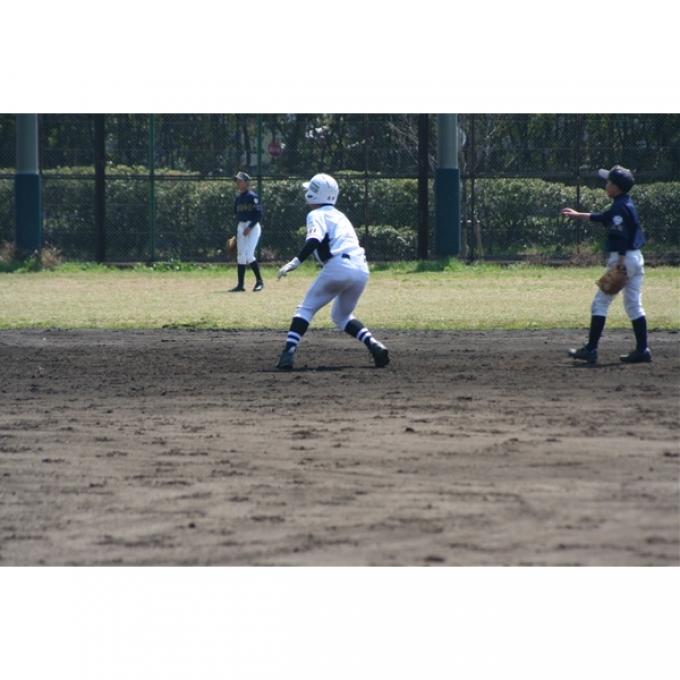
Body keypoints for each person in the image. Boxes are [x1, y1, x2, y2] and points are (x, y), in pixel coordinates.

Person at [274, 173, 390, 370]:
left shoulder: (315, 214)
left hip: (338, 266)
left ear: (313, 194)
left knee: (305, 309)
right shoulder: (340, 215)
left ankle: (288, 353)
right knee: (341, 317)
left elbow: (314, 240)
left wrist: (296, 261)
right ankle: (375, 346)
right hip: (361, 269)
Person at [561, 165, 651, 364]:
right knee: (634, 304)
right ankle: (642, 350)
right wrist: (577, 215)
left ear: (615, 187)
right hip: (636, 258)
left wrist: (619, 265)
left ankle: (591, 349)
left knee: (600, 303)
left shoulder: (619, 207)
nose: (606, 185)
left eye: (608, 182)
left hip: (623, 259)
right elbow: (602, 217)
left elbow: (621, 237)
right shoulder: (625, 202)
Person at [230, 171, 264, 292]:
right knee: (241, 256)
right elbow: (237, 214)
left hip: (252, 227)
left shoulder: (252, 196)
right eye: (237, 181)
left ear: (247, 183)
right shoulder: (238, 198)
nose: (237, 183)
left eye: (240, 181)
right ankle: (241, 285)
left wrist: (249, 227)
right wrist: (240, 231)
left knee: (249, 255)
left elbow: (259, 213)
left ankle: (260, 281)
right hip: (241, 226)